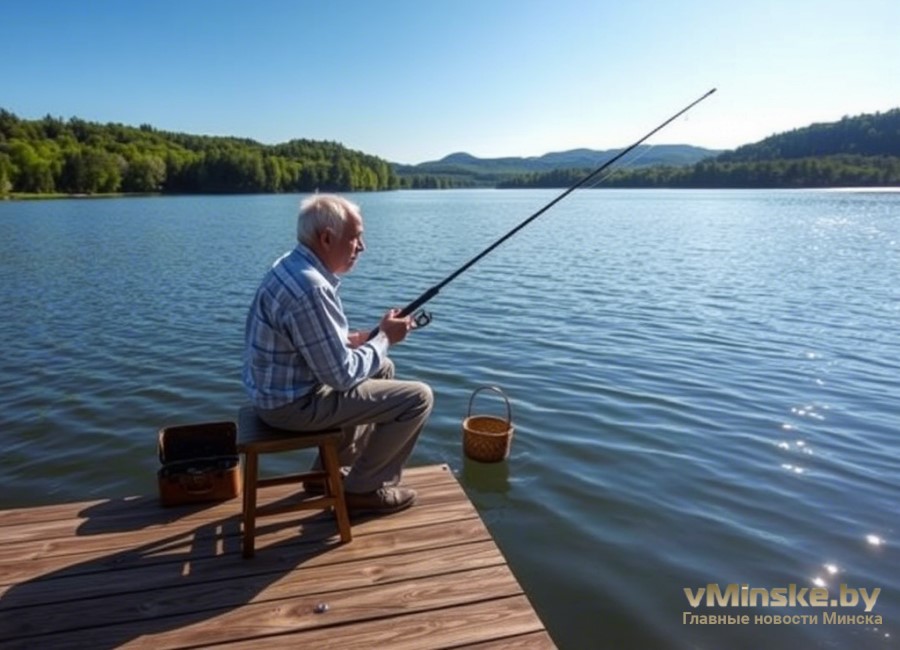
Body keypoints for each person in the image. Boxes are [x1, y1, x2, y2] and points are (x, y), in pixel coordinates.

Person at [242, 194, 433, 514]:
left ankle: (326, 474)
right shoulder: (312, 288)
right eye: (355, 237)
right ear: (327, 238)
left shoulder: (290, 265)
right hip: (291, 406)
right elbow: (341, 377)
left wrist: (359, 339)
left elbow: (305, 337)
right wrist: (385, 337)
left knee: (382, 368)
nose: (362, 246)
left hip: (273, 394)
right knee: (419, 399)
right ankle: (362, 490)